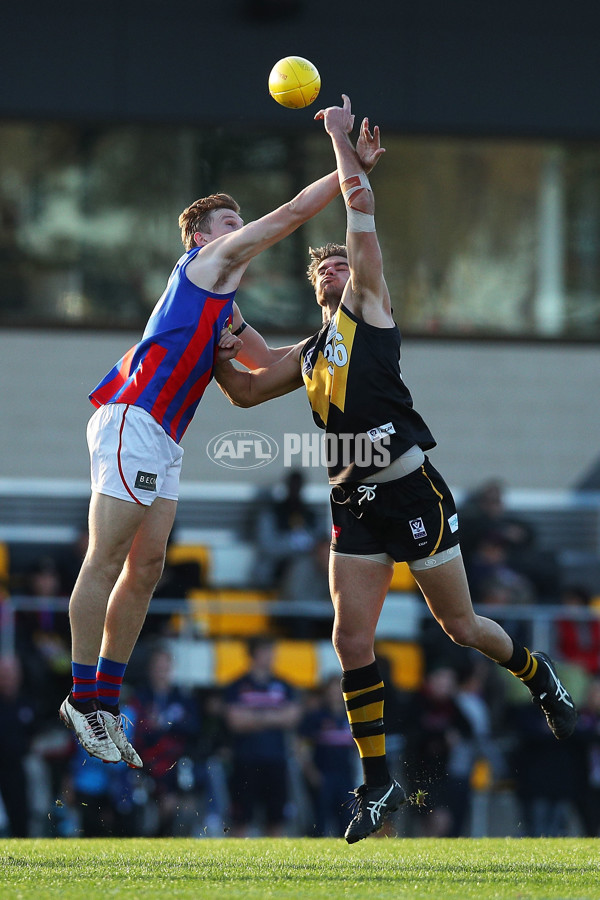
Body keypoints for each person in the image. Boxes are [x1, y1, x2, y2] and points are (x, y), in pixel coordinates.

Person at [214, 94, 579, 843]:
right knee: (351, 642)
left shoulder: (370, 307)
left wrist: (345, 147)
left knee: (461, 626)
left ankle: (537, 675)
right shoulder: (310, 353)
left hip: (410, 487)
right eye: (331, 264)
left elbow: (360, 212)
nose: (343, 265)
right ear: (316, 284)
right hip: (353, 504)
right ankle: (376, 783)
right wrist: (215, 347)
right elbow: (248, 389)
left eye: (347, 259)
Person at [58, 149, 347, 766]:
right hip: (133, 418)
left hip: (164, 438)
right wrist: (352, 168)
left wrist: (333, 336)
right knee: (107, 557)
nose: (235, 229)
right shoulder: (203, 265)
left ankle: (105, 701)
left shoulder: (227, 307)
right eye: (226, 221)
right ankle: (82, 698)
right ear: (198, 237)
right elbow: (293, 213)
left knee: (149, 564)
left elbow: (265, 371)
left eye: (237, 220)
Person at [223, 637, 302, 836]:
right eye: (265, 651)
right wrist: (273, 716)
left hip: (276, 760)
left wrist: (253, 717)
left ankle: (273, 863)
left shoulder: (284, 685)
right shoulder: (237, 685)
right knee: (241, 819)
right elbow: (234, 721)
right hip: (245, 760)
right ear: (254, 654)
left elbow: (292, 717)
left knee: (276, 819)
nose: (270, 657)